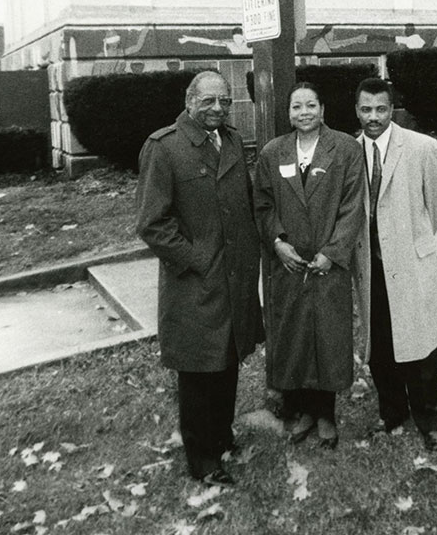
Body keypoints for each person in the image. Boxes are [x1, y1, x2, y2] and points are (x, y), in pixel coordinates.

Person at [136, 70, 263, 487]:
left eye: (224, 101)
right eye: (208, 101)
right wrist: (195, 259)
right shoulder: (165, 147)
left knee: (227, 361)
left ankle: (221, 436)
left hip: (234, 280)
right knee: (197, 370)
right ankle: (202, 457)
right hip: (194, 282)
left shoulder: (230, 141)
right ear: (190, 100)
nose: (217, 109)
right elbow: (153, 224)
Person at [253, 82, 366, 449]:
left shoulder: (346, 148)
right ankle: (300, 410)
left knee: (328, 338)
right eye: (297, 107)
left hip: (326, 263)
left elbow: (352, 207)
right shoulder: (273, 153)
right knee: (294, 338)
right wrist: (277, 243)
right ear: (288, 113)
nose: (304, 113)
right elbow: (263, 204)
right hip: (288, 264)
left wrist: (332, 253)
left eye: (311, 106)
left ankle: (327, 415)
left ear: (323, 110)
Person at [352, 77, 437, 452]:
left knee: (420, 345)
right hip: (369, 265)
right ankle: (392, 411)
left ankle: (431, 421)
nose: (373, 117)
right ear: (357, 110)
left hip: (410, 263)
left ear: (392, 109)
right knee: (380, 345)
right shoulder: (350, 150)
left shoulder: (421, 147)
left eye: (380, 109)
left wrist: (416, 239)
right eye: (366, 109)